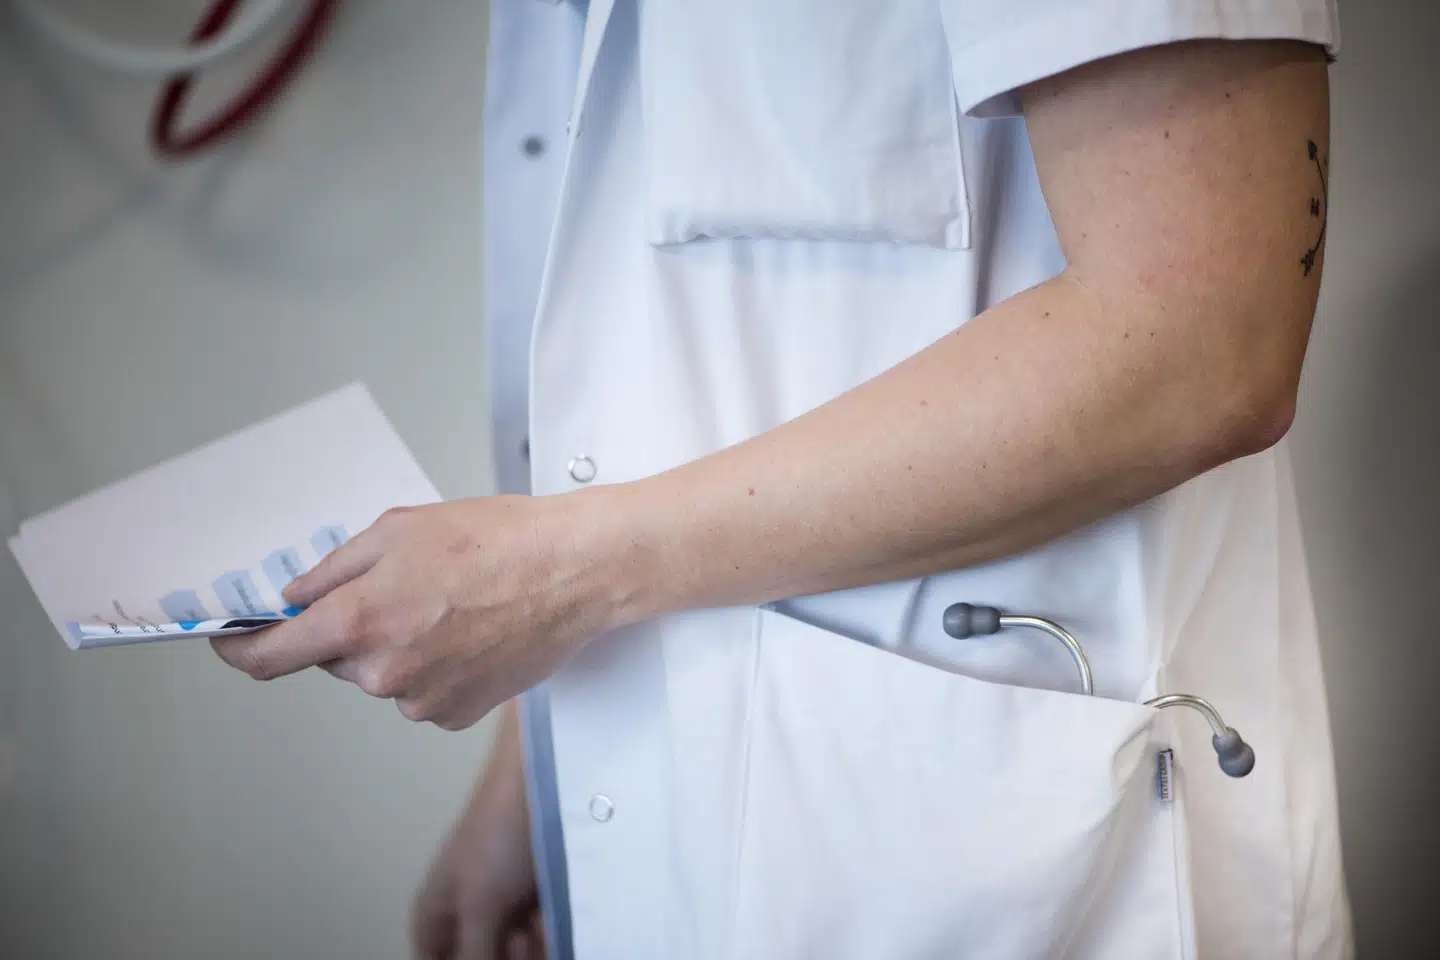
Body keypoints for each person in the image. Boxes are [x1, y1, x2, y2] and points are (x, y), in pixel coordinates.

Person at [213, 0, 1353, 957]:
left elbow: (1204, 341)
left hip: (1013, 852)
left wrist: (554, 581)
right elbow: (658, 346)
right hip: (658, 809)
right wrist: (538, 764)